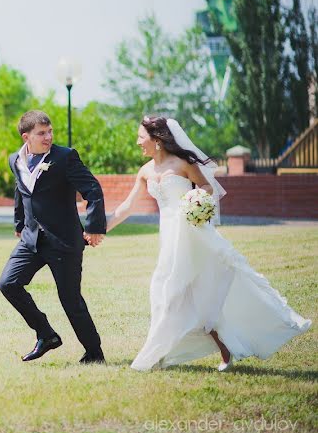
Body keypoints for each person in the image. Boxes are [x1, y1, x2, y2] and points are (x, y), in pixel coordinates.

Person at [107, 115, 311, 371]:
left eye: (141, 137)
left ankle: (157, 356)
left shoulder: (183, 164)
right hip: (169, 236)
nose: (138, 142)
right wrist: (100, 229)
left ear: (157, 139)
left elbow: (207, 187)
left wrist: (194, 201)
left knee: (185, 291)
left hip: (192, 234)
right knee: (169, 291)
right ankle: (176, 352)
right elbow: (126, 206)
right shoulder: (146, 171)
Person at [0, 110, 108, 364]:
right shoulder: (16, 159)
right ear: (27, 137)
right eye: (41, 133)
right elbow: (21, 191)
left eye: (50, 132)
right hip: (31, 239)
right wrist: (19, 223)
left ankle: (94, 352)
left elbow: (92, 188)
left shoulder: (65, 157)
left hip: (64, 241)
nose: (48, 137)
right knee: (8, 284)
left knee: (70, 300)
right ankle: (46, 334)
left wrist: (93, 227)